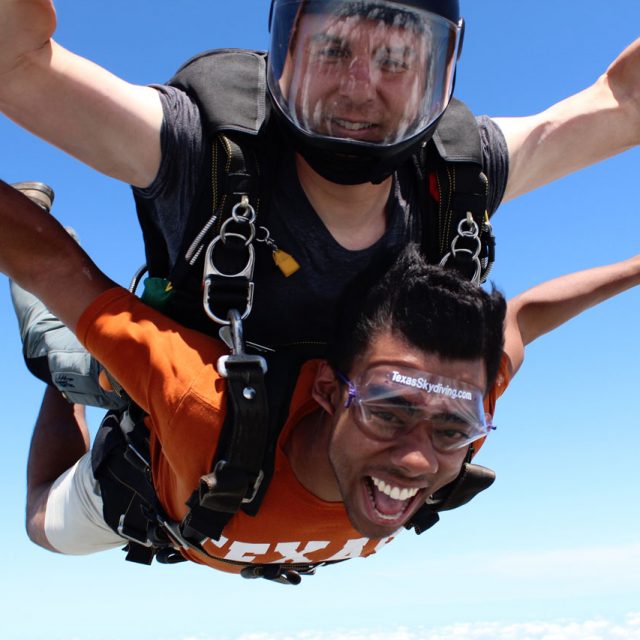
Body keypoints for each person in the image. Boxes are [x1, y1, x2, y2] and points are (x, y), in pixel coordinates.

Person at [4, 180, 640, 582]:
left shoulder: (450, 404)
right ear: (330, 392)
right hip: (153, 463)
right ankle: (68, 380)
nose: (420, 456)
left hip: (193, 502)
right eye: (388, 412)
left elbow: (525, 317)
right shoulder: (202, 403)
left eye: (454, 430)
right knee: (49, 446)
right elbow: (52, 265)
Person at [1, 0, 639, 387]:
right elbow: (17, 69)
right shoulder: (207, 151)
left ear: (434, 79)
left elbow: (622, 105)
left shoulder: (457, 175)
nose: (360, 88)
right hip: (161, 404)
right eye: (332, 51)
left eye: (395, 61)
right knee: (48, 505)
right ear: (284, 57)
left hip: (329, 446)